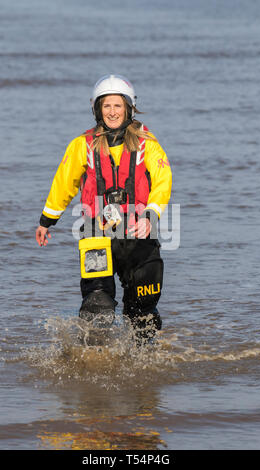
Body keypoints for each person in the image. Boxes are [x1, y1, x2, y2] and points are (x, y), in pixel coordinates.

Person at [35, 74, 172, 342]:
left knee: (143, 312)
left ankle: (143, 364)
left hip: (138, 231)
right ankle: (93, 365)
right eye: (106, 106)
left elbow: (163, 180)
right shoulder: (81, 145)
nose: (112, 112)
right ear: (98, 109)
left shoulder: (148, 143)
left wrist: (151, 215)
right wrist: (46, 220)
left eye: (118, 106)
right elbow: (64, 182)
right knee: (97, 307)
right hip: (95, 232)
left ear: (129, 108)